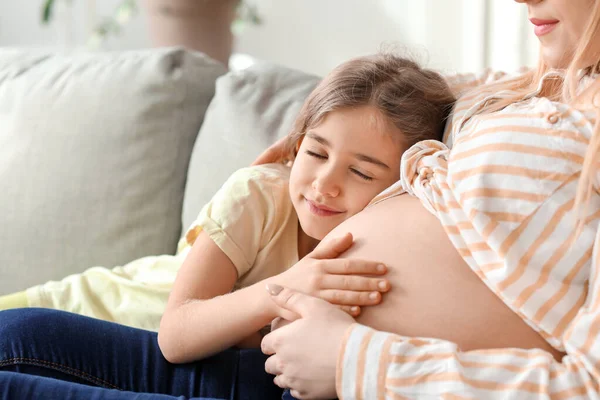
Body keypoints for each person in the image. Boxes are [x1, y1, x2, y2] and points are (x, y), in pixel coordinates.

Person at [0, 53, 457, 399]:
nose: (324, 184)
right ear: (295, 147)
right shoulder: (258, 195)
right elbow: (176, 336)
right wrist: (287, 286)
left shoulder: (387, 243)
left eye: (360, 172)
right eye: (316, 153)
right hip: (102, 310)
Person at [255, 0, 600, 398]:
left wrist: (353, 360)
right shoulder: (552, 82)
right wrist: (320, 135)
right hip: (286, 362)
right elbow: (404, 92)